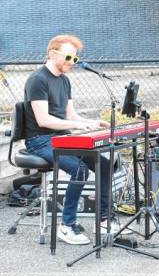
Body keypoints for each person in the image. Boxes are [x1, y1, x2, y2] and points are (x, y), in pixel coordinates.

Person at [23, 34, 119, 245]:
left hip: (60, 138)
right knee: (80, 169)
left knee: (104, 164)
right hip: (39, 140)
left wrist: (91, 122)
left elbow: (71, 116)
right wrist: (76, 126)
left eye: (75, 59)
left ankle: (103, 220)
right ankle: (67, 226)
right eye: (69, 57)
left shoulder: (65, 80)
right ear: (52, 54)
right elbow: (44, 119)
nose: (72, 62)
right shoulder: (37, 80)